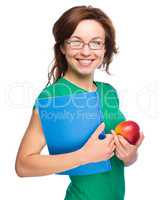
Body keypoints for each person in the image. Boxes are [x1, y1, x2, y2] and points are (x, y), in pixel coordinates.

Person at [15, 5, 144, 200]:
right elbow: (23, 166)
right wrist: (83, 156)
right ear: (62, 47)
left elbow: (122, 161)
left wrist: (130, 155)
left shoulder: (108, 92)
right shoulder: (53, 98)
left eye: (95, 42)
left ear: (104, 48)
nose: (86, 51)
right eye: (76, 41)